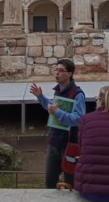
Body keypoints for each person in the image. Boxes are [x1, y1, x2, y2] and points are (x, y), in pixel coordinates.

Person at [30, 58, 86, 188]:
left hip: (70, 144)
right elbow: (52, 108)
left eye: (61, 70)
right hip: (54, 141)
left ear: (70, 74)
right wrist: (41, 97)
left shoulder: (77, 94)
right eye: (56, 70)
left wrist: (57, 113)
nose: (57, 73)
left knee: (70, 181)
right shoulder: (58, 91)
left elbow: (78, 119)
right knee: (50, 181)